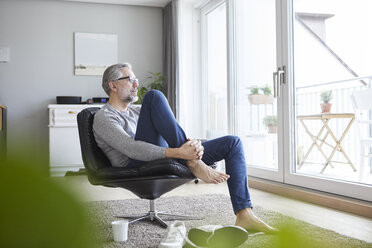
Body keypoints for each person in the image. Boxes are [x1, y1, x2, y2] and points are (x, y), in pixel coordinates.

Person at [93, 63, 277, 234]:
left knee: (232, 143)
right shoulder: (104, 116)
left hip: (163, 155)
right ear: (113, 85)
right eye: (130, 79)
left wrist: (192, 144)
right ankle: (194, 162)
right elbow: (132, 149)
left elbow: (170, 131)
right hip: (135, 163)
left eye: (136, 80)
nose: (135, 84)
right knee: (154, 95)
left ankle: (244, 214)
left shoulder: (137, 111)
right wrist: (181, 152)